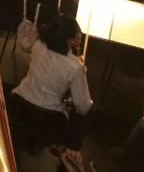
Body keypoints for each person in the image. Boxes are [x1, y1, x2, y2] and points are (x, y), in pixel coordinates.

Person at [11, 15, 92, 149]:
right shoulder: (76, 67)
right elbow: (83, 106)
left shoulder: (38, 46)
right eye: (78, 34)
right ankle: (71, 153)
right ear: (70, 40)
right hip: (49, 118)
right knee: (88, 111)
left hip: (20, 103)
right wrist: (78, 67)